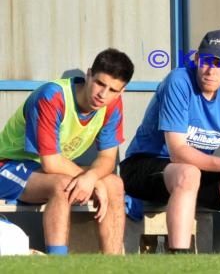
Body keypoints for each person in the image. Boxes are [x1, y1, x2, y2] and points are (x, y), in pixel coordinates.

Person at [120, 28, 220, 254]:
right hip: (144, 167)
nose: (210, 70)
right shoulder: (178, 81)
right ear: (197, 59)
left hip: (194, 174)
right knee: (188, 173)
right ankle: (180, 259)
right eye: (206, 61)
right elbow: (178, 152)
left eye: (219, 64)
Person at [0, 48, 135, 255]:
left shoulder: (113, 105)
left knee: (115, 184)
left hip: (49, 171)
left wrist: (92, 177)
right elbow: (51, 163)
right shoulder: (52, 96)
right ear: (89, 74)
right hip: (7, 166)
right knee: (64, 185)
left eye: (113, 90)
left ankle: (113, 264)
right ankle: (59, 264)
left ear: (122, 91)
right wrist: (93, 180)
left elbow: (107, 158)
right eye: (100, 83)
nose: (103, 94)